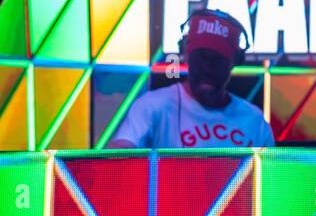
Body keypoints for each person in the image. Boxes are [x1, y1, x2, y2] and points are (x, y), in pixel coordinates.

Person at [108, 9, 275, 149]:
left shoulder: (254, 122)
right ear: (186, 55)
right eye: (201, 58)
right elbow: (119, 158)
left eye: (217, 60)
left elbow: (272, 176)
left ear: (234, 62)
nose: (208, 68)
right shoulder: (153, 107)